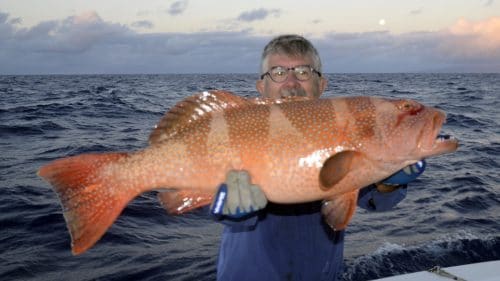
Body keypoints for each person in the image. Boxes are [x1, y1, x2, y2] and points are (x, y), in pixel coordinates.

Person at [210, 34, 425, 281]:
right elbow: (197, 187)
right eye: (278, 73)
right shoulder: (236, 133)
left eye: (303, 72)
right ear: (262, 87)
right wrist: (224, 206)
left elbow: (373, 200)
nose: (291, 84)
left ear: (321, 85)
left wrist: (389, 182)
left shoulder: (343, 135)